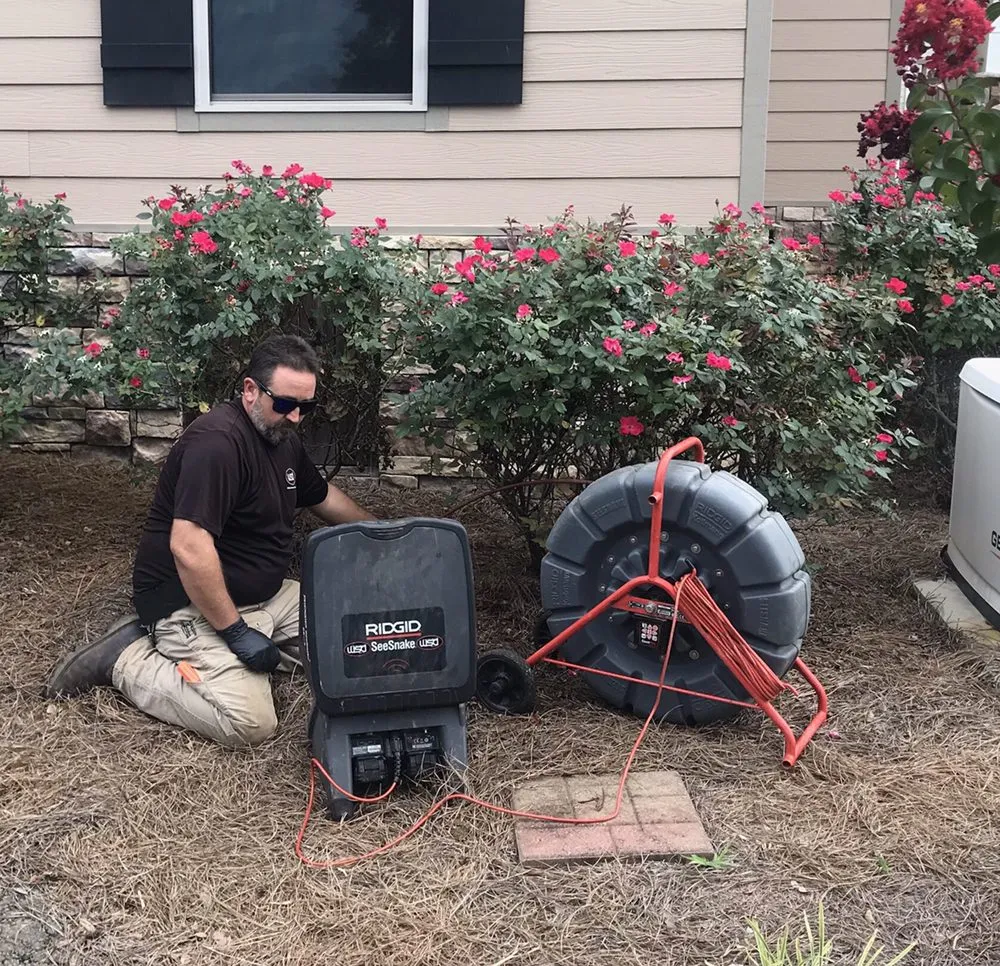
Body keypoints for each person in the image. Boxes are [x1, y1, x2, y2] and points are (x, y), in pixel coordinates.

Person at [45, 334, 375, 747]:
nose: (295, 417)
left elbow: (323, 497)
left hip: (267, 596)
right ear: (251, 390)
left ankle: (258, 640)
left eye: (305, 407)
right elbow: (188, 545)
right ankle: (125, 660)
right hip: (192, 602)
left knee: (359, 646)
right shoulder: (217, 444)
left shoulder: (280, 437)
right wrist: (235, 631)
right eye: (286, 404)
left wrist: (382, 535)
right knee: (251, 723)